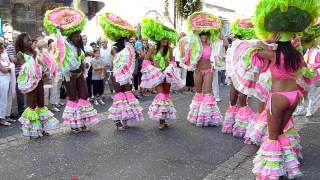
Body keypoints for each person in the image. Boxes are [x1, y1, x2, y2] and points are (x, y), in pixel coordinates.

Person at [249, 1, 320, 179]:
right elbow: (306, 73)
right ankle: (290, 168)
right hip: (294, 96)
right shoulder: (297, 55)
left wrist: (268, 41)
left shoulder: (273, 54)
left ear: (277, 37)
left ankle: (270, 174)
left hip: (278, 97)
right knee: (281, 133)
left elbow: (253, 50)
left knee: (272, 137)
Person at [44, 7, 99, 133]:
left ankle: (81, 121)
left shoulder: (79, 47)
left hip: (79, 74)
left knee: (84, 95)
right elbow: (60, 44)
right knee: (73, 98)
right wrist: (58, 30)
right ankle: (75, 125)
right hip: (69, 75)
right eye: (74, 35)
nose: (77, 37)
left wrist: (83, 66)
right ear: (70, 36)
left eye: (78, 35)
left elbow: (80, 61)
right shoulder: (66, 44)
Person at [99, 12, 144, 130]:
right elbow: (116, 57)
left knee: (127, 95)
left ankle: (125, 119)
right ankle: (117, 121)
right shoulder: (115, 47)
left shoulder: (129, 47)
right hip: (117, 74)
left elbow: (133, 58)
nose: (128, 37)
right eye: (126, 36)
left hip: (126, 74)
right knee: (119, 97)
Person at [180, 12, 222, 127]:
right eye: (202, 35)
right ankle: (197, 115)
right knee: (198, 93)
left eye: (206, 35)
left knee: (208, 93)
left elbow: (223, 41)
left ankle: (207, 117)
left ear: (209, 36)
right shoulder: (194, 46)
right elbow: (186, 46)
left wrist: (218, 27)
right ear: (199, 35)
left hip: (208, 71)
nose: (204, 37)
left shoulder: (212, 45)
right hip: (198, 71)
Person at [140, 17, 183, 129]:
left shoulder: (170, 49)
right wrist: (152, 69)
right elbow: (145, 60)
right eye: (163, 38)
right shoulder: (153, 48)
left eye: (166, 38)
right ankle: (160, 121)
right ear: (159, 38)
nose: (165, 40)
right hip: (158, 75)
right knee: (161, 96)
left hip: (167, 75)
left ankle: (163, 120)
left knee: (166, 96)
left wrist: (171, 67)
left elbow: (173, 61)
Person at [15, 33, 59, 138]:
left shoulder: (33, 52)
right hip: (30, 83)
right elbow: (24, 69)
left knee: (41, 104)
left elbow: (41, 65)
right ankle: (32, 132)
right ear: (21, 43)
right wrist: (34, 59)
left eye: (30, 40)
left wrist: (45, 71)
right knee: (32, 106)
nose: (30, 42)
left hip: (39, 81)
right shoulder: (20, 54)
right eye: (27, 41)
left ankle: (42, 129)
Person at [221, 19, 257, 137]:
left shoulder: (252, 44)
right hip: (235, 75)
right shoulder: (235, 45)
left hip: (246, 76)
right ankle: (231, 124)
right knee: (232, 100)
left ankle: (243, 127)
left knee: (242, 100)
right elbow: (230, 60)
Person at [0, 43, 15, 126]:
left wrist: (10, 66)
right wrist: (10, 67)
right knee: (3, 99)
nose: (3, 50)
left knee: (8, 98)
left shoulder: (3, 56)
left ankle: (7, 116)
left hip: (8, 79)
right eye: (2, 48)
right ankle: (2, 118)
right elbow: (3, 70)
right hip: (2, 80)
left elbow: (9, 64)